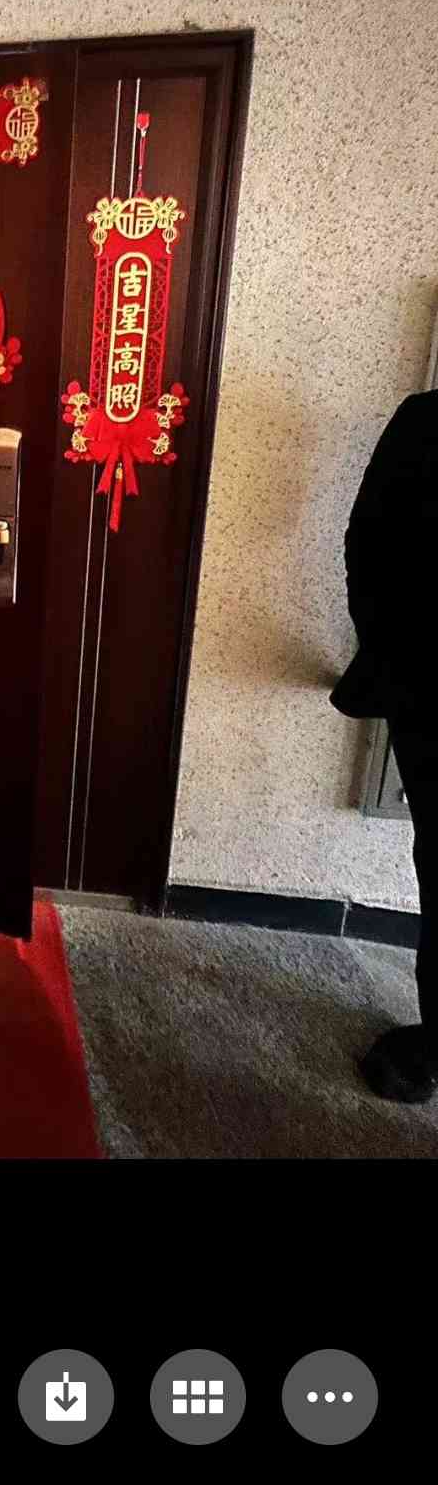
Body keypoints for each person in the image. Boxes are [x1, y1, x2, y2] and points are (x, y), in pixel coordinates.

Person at [331, 389, 438, 1102]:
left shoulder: (426, 420)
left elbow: (367, 547)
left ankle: (426, 1054)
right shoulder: (427, 421)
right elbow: (368, 547)